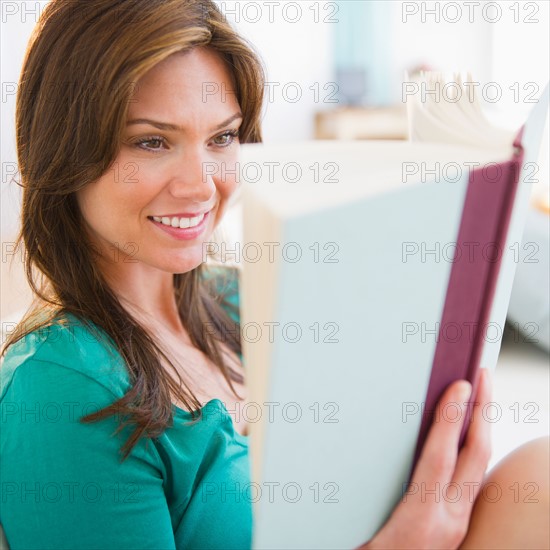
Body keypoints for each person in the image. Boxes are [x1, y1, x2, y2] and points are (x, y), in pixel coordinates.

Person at [0, 1, 548, 549]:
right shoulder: (60, 390)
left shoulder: (241, 296)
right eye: (151, 141)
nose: (201, 185)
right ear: (62, 146)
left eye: (221, 138)